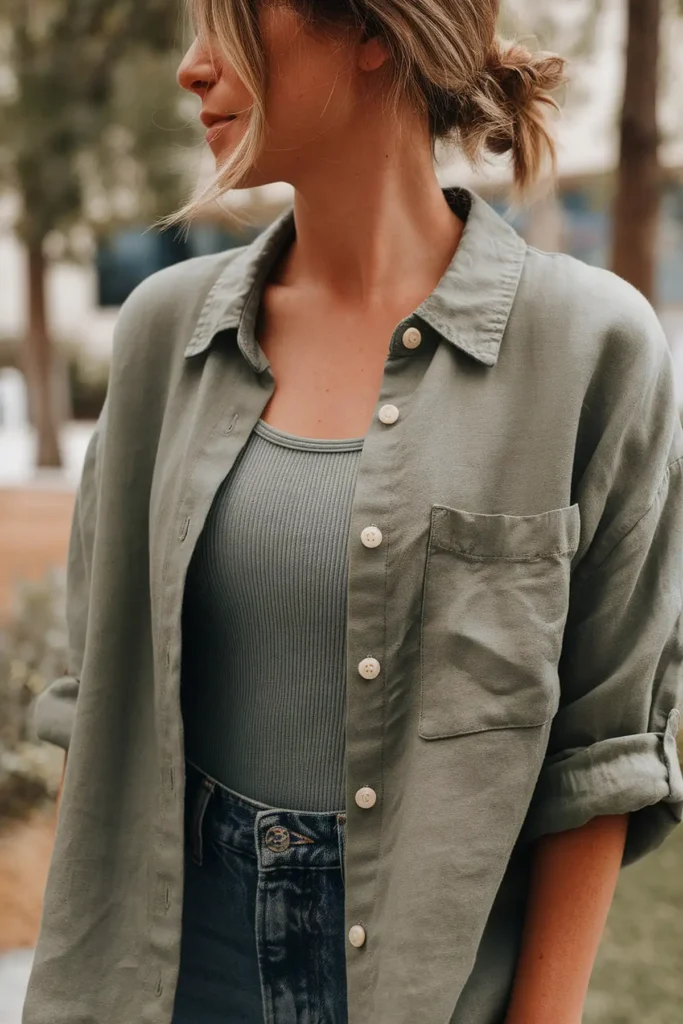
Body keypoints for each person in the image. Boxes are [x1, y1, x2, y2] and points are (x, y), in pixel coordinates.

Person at [23, 2, 683, 1023]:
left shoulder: (590, 349)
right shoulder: (165, 337)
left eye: (230, 22)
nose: (194, 68)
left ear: (373, 32)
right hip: (162, 973)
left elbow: (597, 757)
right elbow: (97, 705)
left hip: (426, 982)